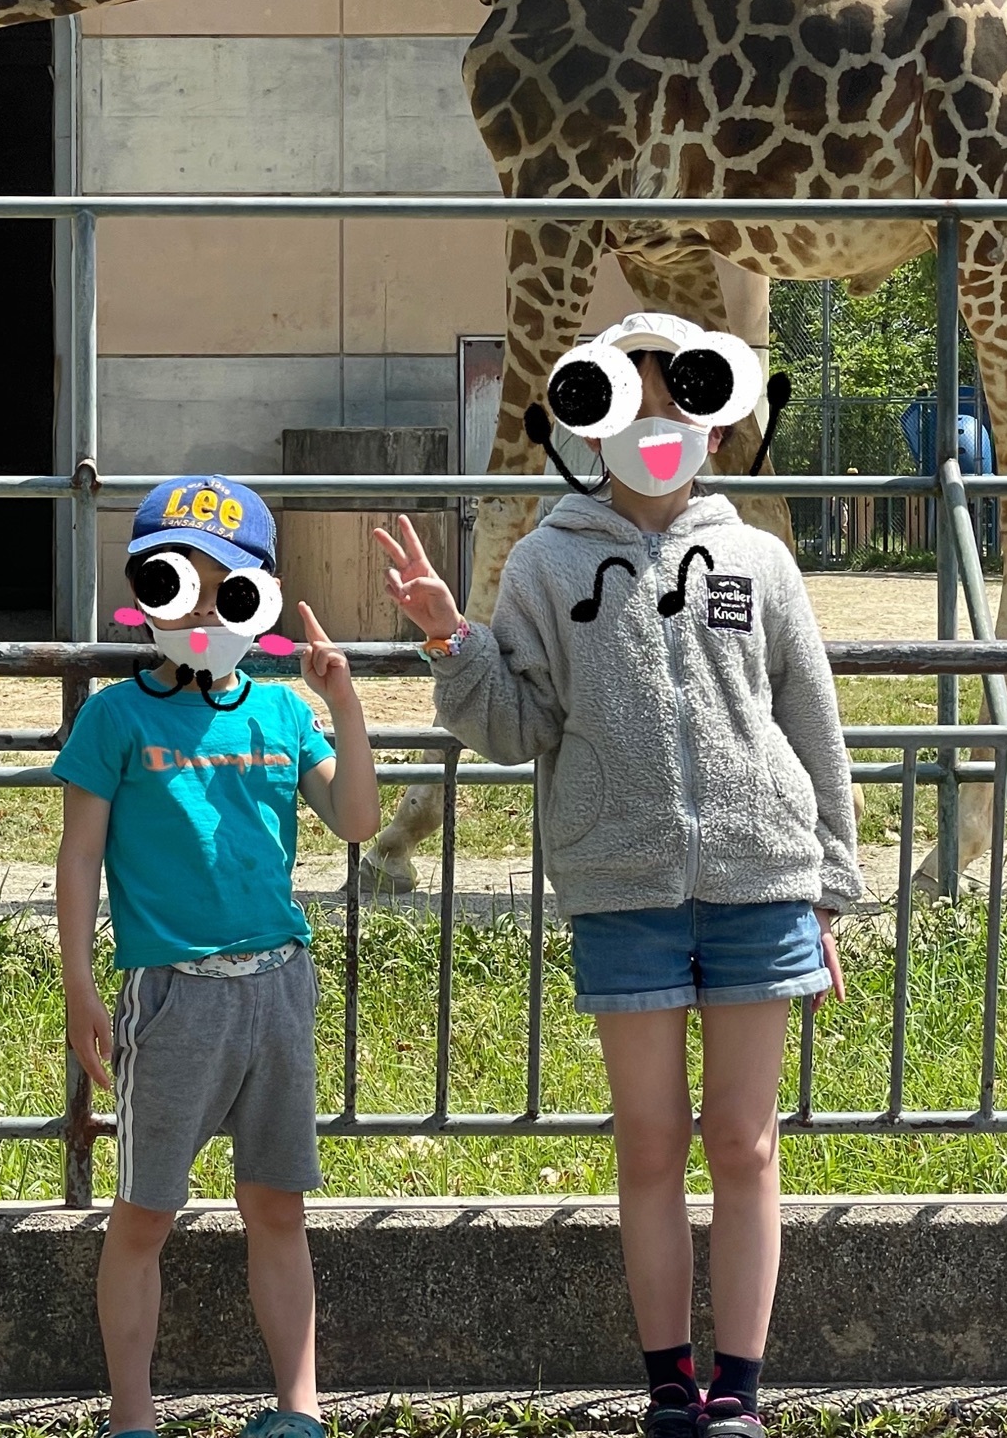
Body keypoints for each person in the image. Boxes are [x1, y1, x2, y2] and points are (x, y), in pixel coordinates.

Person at [375, 315, 863, 1438]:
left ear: (712, 412)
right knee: (649, 1142)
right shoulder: (546, 561)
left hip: (760, 883)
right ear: (587, 420)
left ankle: (738, 1390)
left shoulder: (760, 559)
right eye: (630, 404)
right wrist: (455, 642)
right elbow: (518, 723)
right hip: (621, 890)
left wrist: (828, 886)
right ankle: (668, 1385)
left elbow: (813, 726)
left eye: (675, 402)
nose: (655, 426)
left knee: (746, 1144)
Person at [54, 474, 381, 1438]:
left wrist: (345, 703)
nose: (200, 606)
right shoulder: (116, 716)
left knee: (278, 1207)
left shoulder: (280, 714)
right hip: (170, 996)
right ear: (143, 588)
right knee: (144, 1213)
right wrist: (82, 989)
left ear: (261, 597)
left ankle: (298, 1409)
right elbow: (78, 858)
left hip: (277, 986)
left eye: (225, 586)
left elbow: (356, 817)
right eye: (177, 582)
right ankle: (132, 1413)